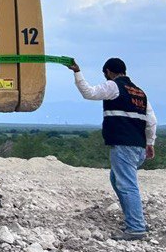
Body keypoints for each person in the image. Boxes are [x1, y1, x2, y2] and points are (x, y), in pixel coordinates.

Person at [67, 57, 157, 240]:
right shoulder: (139, 92)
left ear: (108, 72)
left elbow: (89, 93)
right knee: (117, 179)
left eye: (105, 74)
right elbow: (151, 121)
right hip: (138, 145)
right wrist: (150, 143)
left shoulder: (114, 86)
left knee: (127, 185)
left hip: (124, 145)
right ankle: (135, 220)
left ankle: (136, 228)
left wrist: (77, 72)